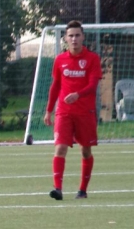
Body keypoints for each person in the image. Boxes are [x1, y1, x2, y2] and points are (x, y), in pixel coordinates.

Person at [43, 20, 101, 200]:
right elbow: (55, 86)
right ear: (65, 39)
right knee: (60, 148)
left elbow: (93, 85)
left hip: (85, 112)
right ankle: (57, 189)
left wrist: (78, 94)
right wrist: (49, 110)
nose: (74, 39)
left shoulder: (92, 59)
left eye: (77, 35)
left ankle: (82, 190)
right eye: (71, 36)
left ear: (83, 37)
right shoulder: (60, 60)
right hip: (64, 112)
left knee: (85, 151)